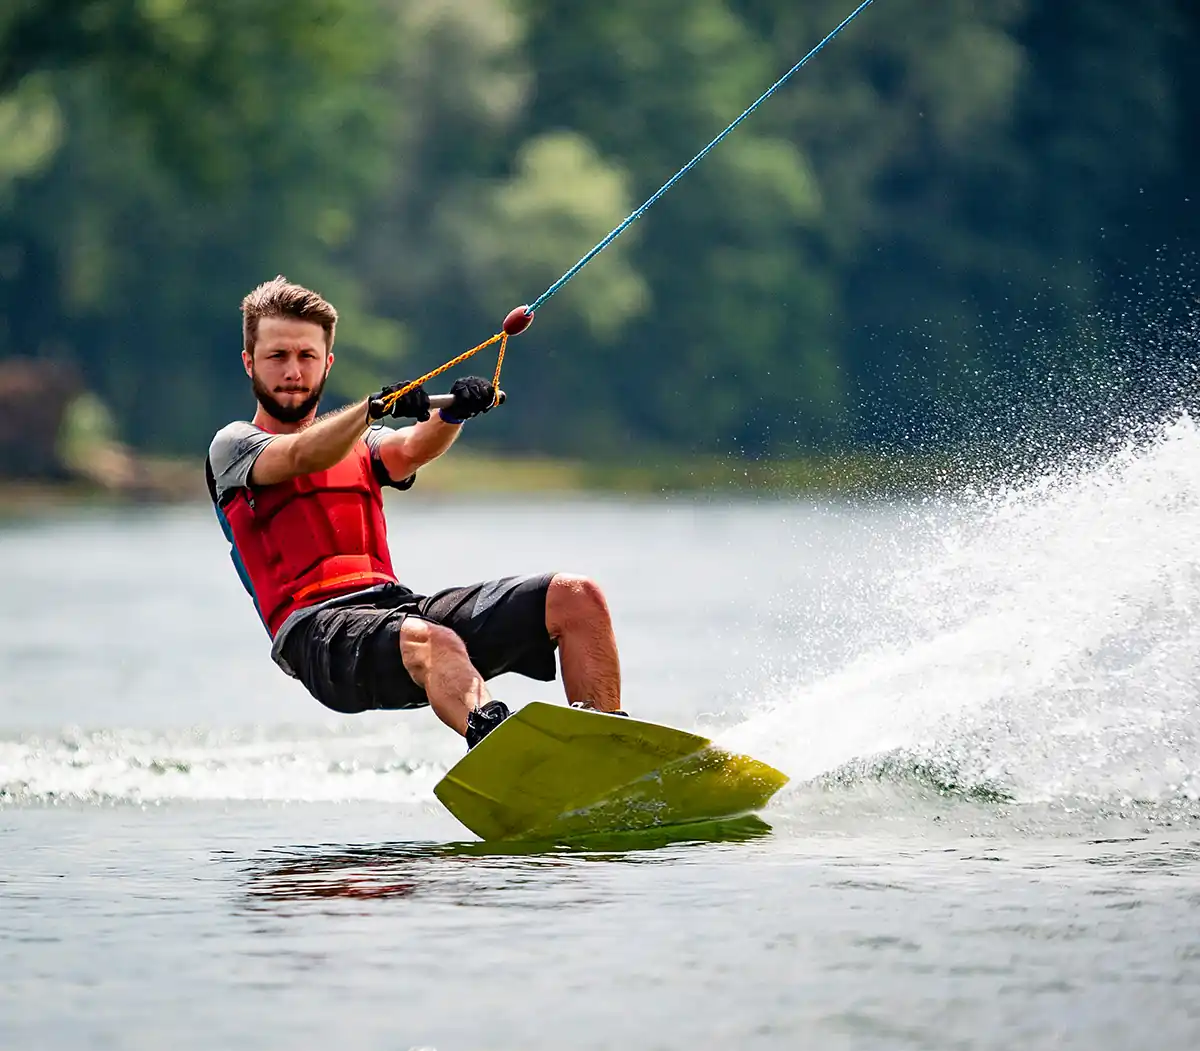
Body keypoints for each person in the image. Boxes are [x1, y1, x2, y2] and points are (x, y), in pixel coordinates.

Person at [206, 276, 624, 748]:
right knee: (436, 641)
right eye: (277, 356)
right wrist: (370, 409)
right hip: (317, 637)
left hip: (393, 609)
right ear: (249, 363)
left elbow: (409, 449)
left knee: (575, 597)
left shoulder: (359, 443)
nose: (293, 371)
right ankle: (504, 749)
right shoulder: (234, 446)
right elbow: (302, 456)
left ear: (327, 362)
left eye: (306, 356)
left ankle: (605, 752)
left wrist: (453, 414)